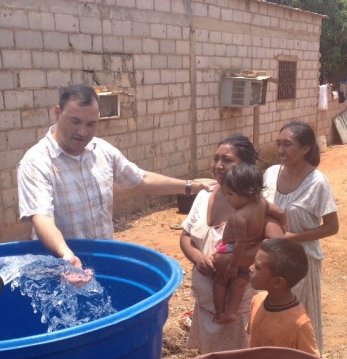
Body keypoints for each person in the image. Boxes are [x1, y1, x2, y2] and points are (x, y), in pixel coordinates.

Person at [17, 84, 209, 270]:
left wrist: (192, 187)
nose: (83, 132)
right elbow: (42, 218)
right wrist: (66, 255)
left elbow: (141, 179)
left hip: (105, 263)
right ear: (58, 113)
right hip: (60, 268)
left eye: (91, 124)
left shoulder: (102, 151)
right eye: (75, 121)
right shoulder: (36, 162)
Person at [180, 133, 283, 353]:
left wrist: (229, 261)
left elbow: (274, 246)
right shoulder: (204, 195)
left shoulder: (258, 204)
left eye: (227, 160)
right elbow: (186, 237)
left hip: (240, 310)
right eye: (216, 158)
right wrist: (199, 258)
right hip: (206, 307)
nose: (218, 165)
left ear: (245, 165)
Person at [263, 120, 339, 353]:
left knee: (295, 319)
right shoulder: (270, 173)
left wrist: (292, 238)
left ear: (306, 148)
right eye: (279, 144)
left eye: (288, 144)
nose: (281, 150)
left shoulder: (317, 183)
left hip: (301, 263)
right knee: (269, 316)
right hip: (268, 261)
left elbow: (331, 227)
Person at [212, 163, 284, 324]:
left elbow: (239, 244)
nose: (228, 199)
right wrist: (284, 226)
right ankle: (231, 312)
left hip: (232, 252)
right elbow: (280, 212)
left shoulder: (240, 217)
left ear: (247, 193)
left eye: (230, 194)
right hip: (251, 254)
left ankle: (219, 312)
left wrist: (232, 265)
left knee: (220, 281)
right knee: (239, 283)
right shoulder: (262, 204)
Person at [246, 237, 319, 356]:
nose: (250, 268)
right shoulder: (257, 300)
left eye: (257, 267)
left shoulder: (300, 324)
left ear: (278, 282)